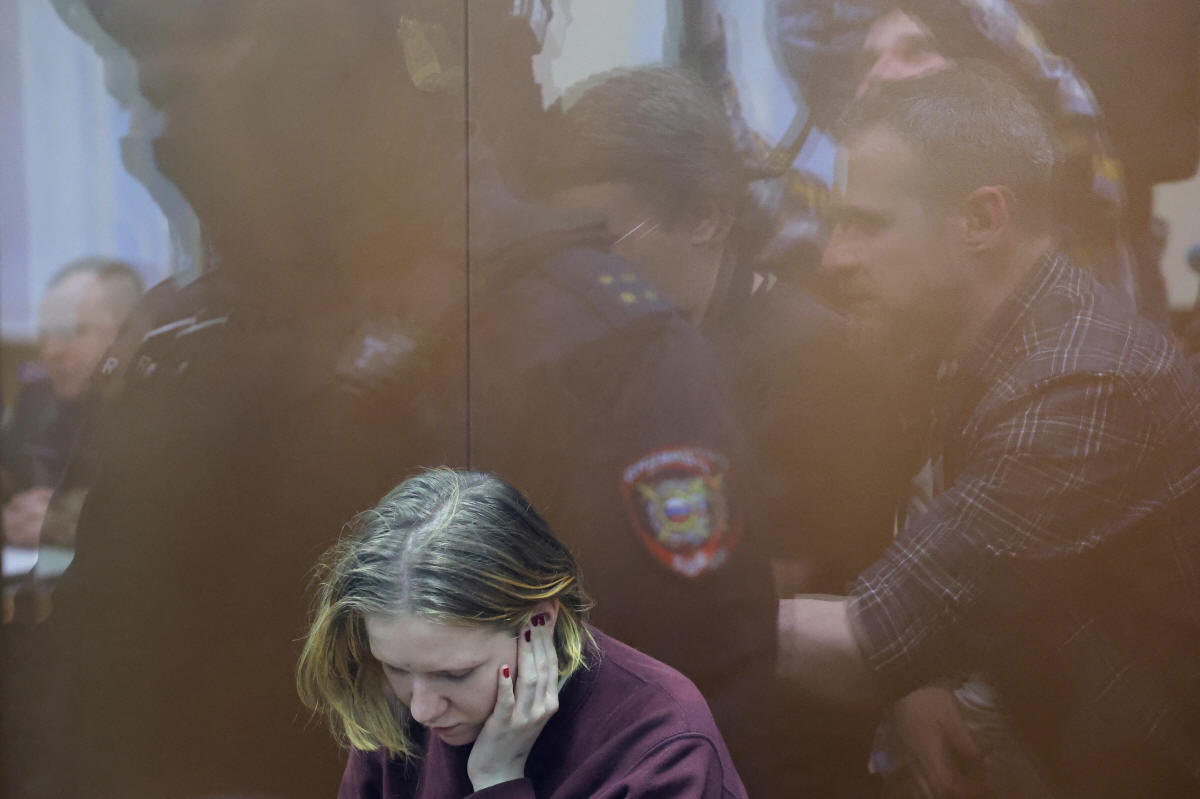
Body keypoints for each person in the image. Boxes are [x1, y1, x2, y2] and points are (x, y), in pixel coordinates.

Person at [776, 64, 1200, 798]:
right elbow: (942, 574)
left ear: (981, 220)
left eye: (866, 224)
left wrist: (638, 611)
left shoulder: (1086, 384)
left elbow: (867, 643)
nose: (835, 255)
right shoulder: (958, 339)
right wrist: (920, 676)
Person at [297, 469, 749, 799]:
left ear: (539, 622)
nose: (422, 709)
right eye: (396, 668)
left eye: (455, 674)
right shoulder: (397, 704)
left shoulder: (663, 743)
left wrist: (497, 780)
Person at [2, 257, 142, 548]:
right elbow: (11, 480)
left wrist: (60, 520)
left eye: (72, 332)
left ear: (129, 335)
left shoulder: (167, 411)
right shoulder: (40, 402)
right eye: (44, 334)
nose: (50, 351)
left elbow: (162, 514)